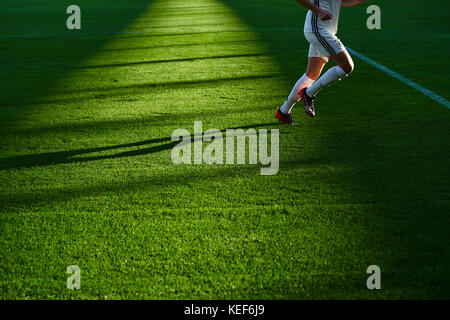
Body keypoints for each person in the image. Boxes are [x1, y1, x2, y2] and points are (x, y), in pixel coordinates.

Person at [275, 0, 366, 124]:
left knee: (312, 74)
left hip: (323, 30)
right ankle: (308, 93)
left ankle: (283, 112)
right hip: (318, 29)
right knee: (347, 66)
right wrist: (319, 11)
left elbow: (338, 2)